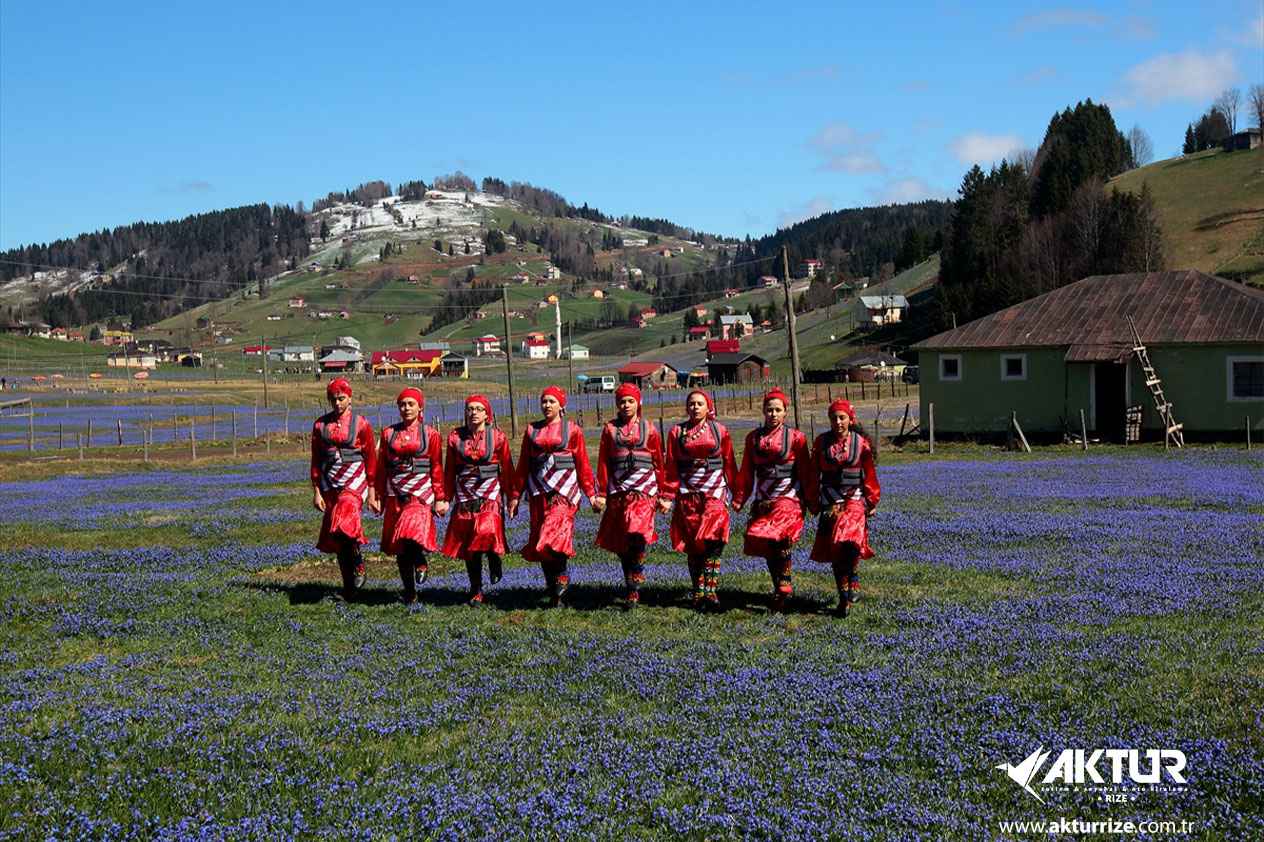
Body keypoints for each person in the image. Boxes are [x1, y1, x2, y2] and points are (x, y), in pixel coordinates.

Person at [510, 386, 595, 607]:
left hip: (564, 494)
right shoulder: (532, 431)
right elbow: (523, 466)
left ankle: (562, 576)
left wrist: (592, 495)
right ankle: (554, 590)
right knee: (541, 542)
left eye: (551, 401)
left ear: (561, 405)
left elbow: (583, 465)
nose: (547, 405)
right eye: (544, 401)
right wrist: (515, 496)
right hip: (538, 493)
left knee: (554, 534)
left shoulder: (573, 430)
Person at [732, 388, 811, 613]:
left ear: (785, 412)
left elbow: (806, 471)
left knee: (780, 537)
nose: (773, 414)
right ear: (763, 412)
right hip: (763, 500)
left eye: (778, 410)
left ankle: (784, 581)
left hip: (788, 498)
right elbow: (747, 471)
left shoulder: (796, 438)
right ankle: (779, 589)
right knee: (766, 544)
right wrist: (739, 499)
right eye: (769, 410)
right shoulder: (753, 439)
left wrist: (811, 500)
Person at [660, 389, 737, 611]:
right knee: (694, 545)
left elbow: (729, 462)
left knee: (714, 540)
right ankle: (698, 590)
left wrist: (737, 494)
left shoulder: (720, 430)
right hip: (688, 494)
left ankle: (710, 592)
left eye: (699, 404)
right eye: (691, 403)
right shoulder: (677, 432)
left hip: (714, 493)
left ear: (708, 407)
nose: (695, 407)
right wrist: (667, 496)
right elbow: (671, 466)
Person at [593, 383, 668, 606]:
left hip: (644, 490)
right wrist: (602, 493)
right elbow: (603, 463)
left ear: (639, 402)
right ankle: (631, 585)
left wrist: (663, 493)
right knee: (623, 540)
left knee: (637, 531)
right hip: (618, 491)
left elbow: (659, 463)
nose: (626, 405)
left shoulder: (650, 429)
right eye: (622, 401)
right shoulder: (609, 429)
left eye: (630, 401)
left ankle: (636, 573)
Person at [806, 399, 880, 617]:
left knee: (849, 542)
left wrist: (871, 501)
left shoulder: (861, 444)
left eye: (842, 417)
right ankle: (843, 596)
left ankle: (852, 576)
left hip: (855, 501)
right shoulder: (821, 443)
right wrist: (813, 501)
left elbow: (869, 475)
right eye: (833, 418)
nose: (837, 422)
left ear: (850, 419)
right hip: (831, 502)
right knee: (836, 549)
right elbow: (812, 474)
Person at [442, 394, 516, 606]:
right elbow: (449, 471)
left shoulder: (498, 437)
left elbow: (508, 469)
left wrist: (512, 496)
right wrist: (445, 498)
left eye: (477, 409)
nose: (473, 412)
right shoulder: (455, 437)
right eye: (469, 409)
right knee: (470, 548)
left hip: (490, 492)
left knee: (487, 529)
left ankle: (494, 557)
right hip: (465, 494)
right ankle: (476, 589)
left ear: (486, 413)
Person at [375, 387, 447, 605]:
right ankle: (410, 592)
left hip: (421, 494)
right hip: (396, 494)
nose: (406, 408)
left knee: (410, 534)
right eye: (402, 405)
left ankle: (421, 561)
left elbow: (436, 467)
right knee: (400, 548)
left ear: (420, 407)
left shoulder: (431, 435)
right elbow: (381, 467)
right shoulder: (388, 434)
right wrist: (376, 494)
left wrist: (440, 496)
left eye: (410, 404)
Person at [310, 378, 378, 601]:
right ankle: (349, 587)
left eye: (341, 398)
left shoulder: (361, 424)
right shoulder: (320, 426)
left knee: (346, 521)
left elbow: (370, 458)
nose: (337, 403)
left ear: (350, 398)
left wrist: (372, 489)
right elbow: (316, 460)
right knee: (337, 537)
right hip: (331, 484)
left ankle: (357, 561)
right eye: (333, 399)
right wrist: (317, 490)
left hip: (355, 482)